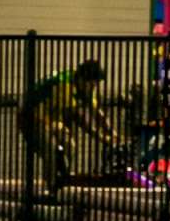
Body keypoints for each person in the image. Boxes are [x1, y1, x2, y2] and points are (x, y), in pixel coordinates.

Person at [20, 58, 121, 189]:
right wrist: (102, 138)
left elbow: (96, 112)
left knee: (70, 146)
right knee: (50, 149)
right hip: (30, 117)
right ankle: (50, 189)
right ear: (82, 79)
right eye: (93, 84)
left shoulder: (84, 87)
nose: (94, 87)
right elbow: (77, 118)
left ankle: (60, 181)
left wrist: (113, 133)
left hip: (50, 118)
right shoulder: (65, 85)